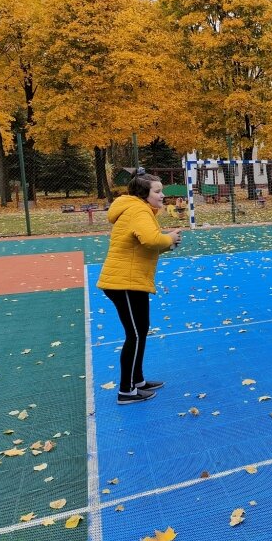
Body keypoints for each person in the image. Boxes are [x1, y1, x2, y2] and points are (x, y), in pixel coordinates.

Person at [97, 170, 182, 404]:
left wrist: (168, 241)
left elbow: (146, 244)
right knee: (134, 334)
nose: (162, 195)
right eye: (158, 191)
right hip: (123, 282)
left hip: (132, 281)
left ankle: (137, 380)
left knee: (141, 329)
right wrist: (168, 238)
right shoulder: (138, 210)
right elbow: (152, 240)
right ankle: (126, 390)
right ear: (144, 194)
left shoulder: (140, 210)